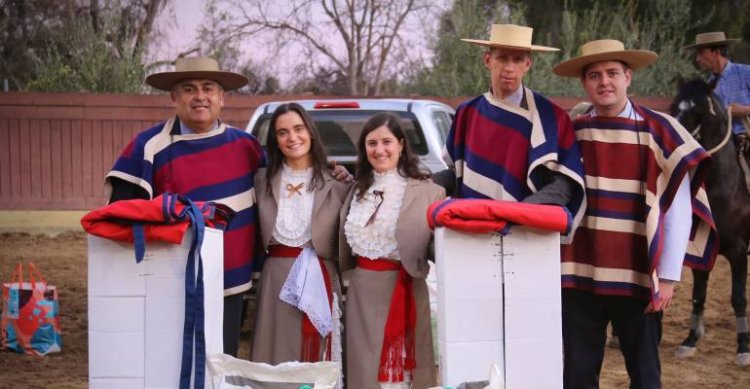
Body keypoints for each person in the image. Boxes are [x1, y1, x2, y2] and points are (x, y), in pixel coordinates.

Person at [104, 57, 351, 357]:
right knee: (172, 364)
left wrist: (331, 172)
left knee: (223, 363)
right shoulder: (148, 147)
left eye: (208, 88)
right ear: (174, 97)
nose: (200, 96)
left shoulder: (245, 146)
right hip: (172, 287)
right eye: (188, 88)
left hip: (231, 287)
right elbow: (120, 216)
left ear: (221, 97)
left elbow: (287, 181)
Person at [553, 39, 718, 388]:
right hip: (579, 272)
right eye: (594, 75)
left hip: (640, 274)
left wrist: (670, 276)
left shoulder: (661, 131)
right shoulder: (572, 132)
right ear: (585, 84)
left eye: (613, 73)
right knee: (578, 373)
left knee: (644, 374)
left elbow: (677, 207)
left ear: (628, 77)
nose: (604, 82)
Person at [444, 24, 586, 240]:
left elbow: (565, 185)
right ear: (488, 60)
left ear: (527, 64)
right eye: (502, 58)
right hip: (472, 234)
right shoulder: (467, 113)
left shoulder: (551, 117)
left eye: (517, 60)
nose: (509, 67)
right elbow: (454, 174)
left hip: (529, 236)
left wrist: (516, 214)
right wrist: (420, 183)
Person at [339, 113, 445, 389]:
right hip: (361, 295)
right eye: (371, 143)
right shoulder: (355, 190)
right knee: (364, 372)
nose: (379, 150)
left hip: (405, 288)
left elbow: (438, 244)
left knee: (401, 376)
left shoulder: (429, 192)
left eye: (386, 141)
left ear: (400, 144)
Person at [251, 103, 350, 371]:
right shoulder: (260, 181)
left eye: (298, 129)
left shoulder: (338, 182)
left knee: (317, 358)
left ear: (311, 132)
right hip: (275, 280)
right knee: (275, 357)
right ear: (275, 141)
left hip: (321, 277)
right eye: (283, 132)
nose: (292, 138)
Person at [686, 32, 750, 141]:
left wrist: (744, 110)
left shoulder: (746, 73)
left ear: (716, 52)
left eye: (701, 53)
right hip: (725, 145)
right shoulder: (708, 87)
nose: (697, 59)